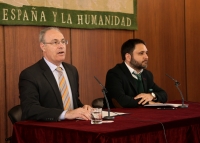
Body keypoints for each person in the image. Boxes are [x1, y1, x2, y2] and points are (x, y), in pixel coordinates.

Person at [19, 27, 91, 121]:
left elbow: (73, 102)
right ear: (43, 46)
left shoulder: (72, 70)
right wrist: (65, 114)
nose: (61, 46)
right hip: (49, 130)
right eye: (55, 42)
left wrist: (83, 108)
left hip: (75, 128)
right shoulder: (30, 75)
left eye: (63, 41)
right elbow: (30, 109)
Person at [103, 39, 167, 108]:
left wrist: (152, 96)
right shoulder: (114, 74)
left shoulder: (147, 74)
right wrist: (148, 103)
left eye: (146, 53)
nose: (146, 57)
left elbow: (164, 94)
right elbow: (121, 100)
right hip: (120, 116)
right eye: (141, 53)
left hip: (144, 116)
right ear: (128, 57)